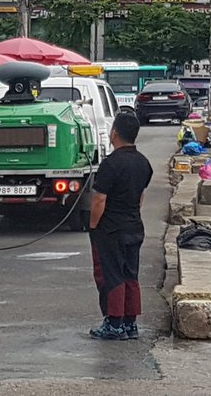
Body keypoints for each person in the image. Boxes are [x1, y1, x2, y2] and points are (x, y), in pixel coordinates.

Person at [88, 112, 154, 341]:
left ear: (114, 133)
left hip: (111, 229)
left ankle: (114, 324)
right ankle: (130, 323)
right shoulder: (143, 163)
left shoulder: (111, 164)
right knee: (130, 274)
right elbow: (140, 197)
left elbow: (99, 200)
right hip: (134, 225)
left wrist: (93, 226)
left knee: (112, 275)